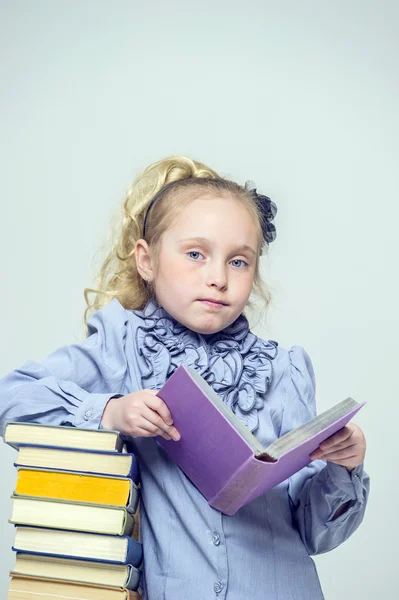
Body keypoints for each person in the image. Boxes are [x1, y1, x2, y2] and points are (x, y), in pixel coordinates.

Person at [0, 156, 369, 600]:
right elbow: (11, 399)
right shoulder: (122, 343)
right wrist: (111, 411)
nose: (217, 278)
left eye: (239, 261)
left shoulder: (283, 369)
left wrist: (343, 468)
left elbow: (315, 535)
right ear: (147, 260)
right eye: (196, 254)